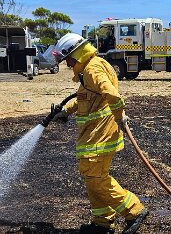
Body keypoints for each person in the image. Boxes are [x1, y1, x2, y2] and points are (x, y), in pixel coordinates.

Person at [52, 33, 148, 234]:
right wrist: (65, 111)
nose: (68, 64)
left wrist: (120, 115)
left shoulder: (93, 69)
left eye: (68, 59)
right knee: (92, 177)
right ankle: (102, 222)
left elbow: (111, 94)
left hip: (100, 135)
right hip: (94, 135)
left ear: (77, 54)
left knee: (96, 178)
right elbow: (84, 97)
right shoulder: (90, 68)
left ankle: (134, 211)